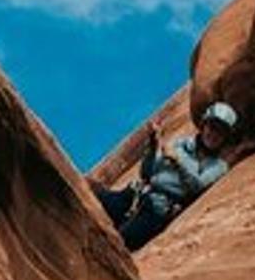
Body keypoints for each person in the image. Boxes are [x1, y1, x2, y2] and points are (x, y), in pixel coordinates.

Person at [96, 101, 240, 251]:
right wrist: (152, 147)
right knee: (97, 203)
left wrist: (177, 163)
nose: (213, 135)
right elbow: (146, 173)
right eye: (212, 127)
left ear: (225, 138)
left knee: (117, 243)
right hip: (137, 194)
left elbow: (198, 185)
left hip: (158, 209)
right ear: (204, 126)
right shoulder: (181, 144)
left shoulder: (218, 166)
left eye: (220, 132)